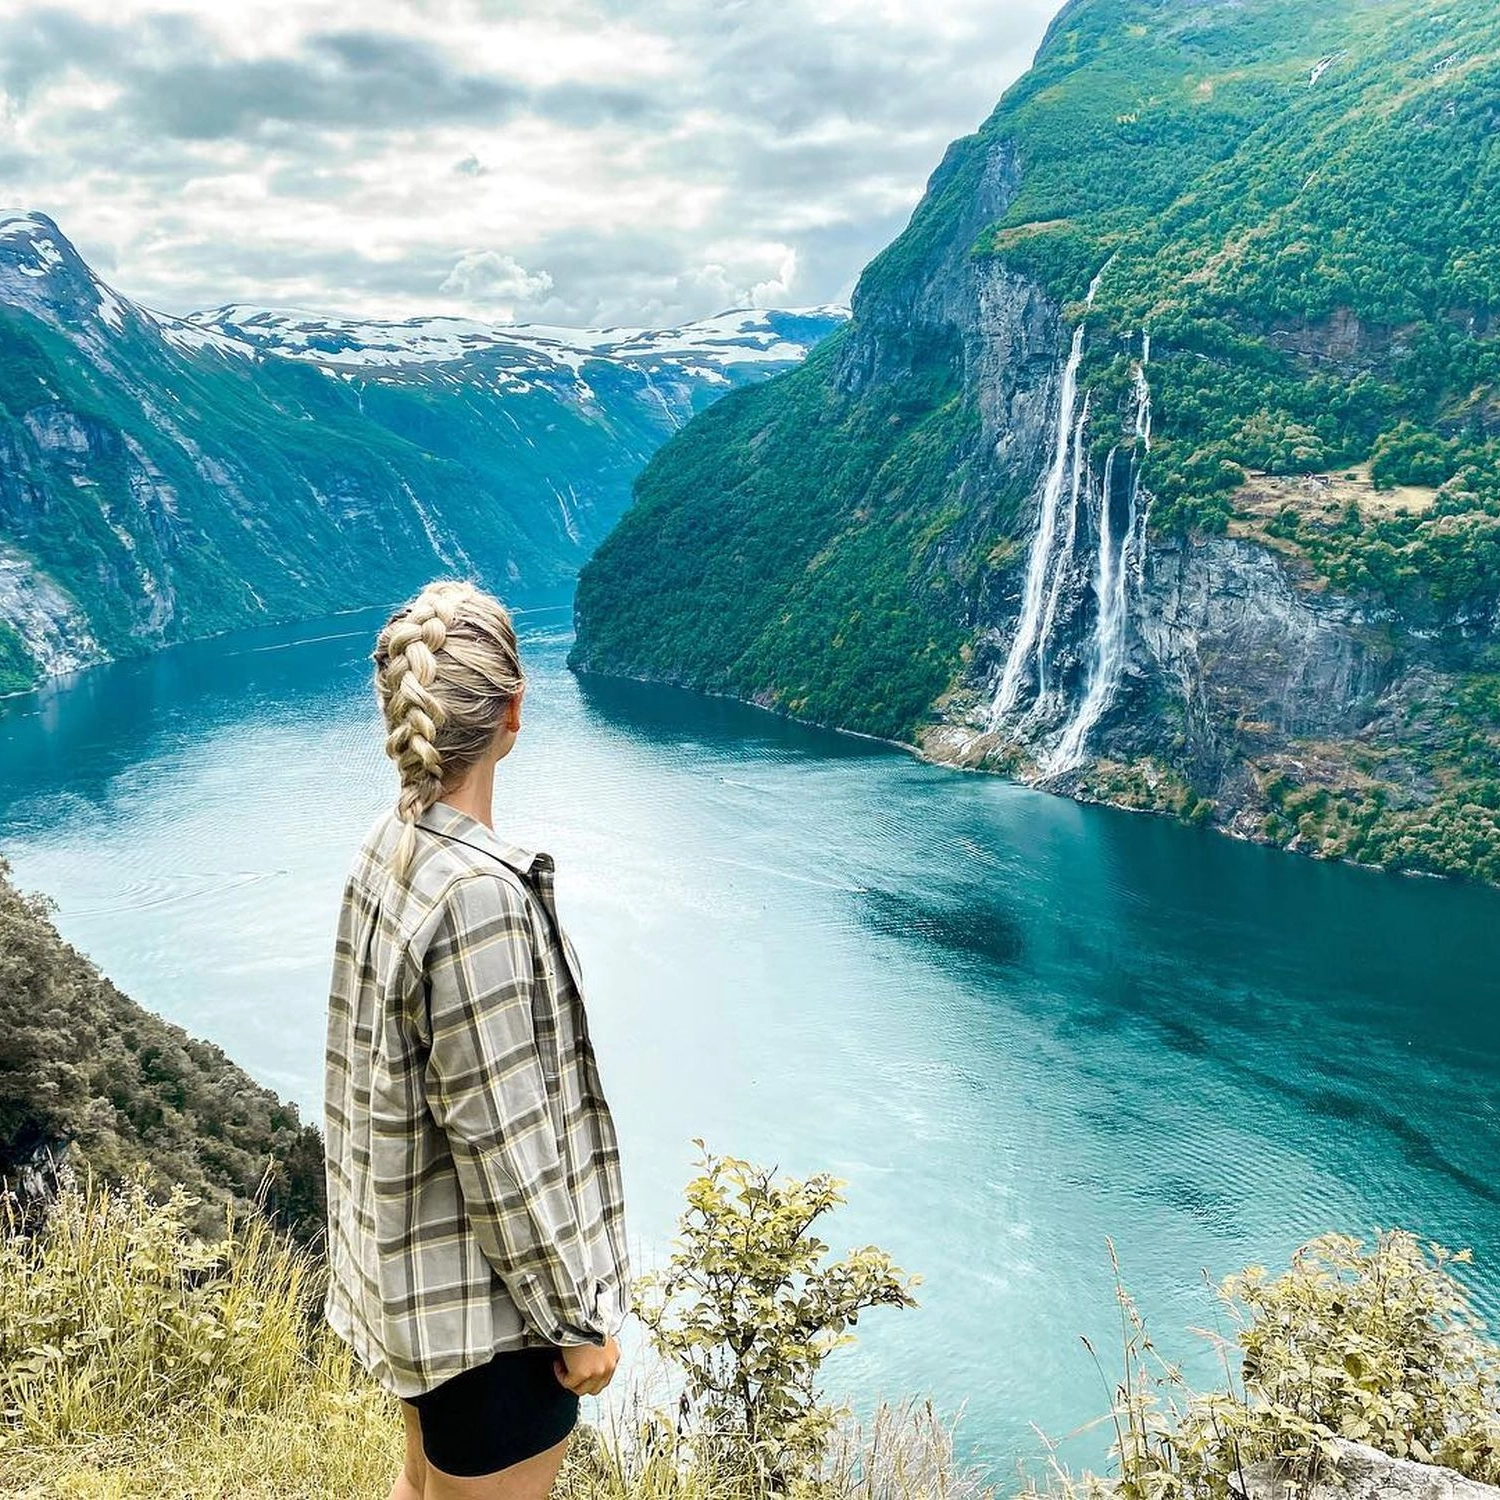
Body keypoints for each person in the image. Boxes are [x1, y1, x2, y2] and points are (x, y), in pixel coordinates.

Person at [323, 578, 630, 1500]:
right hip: (494, 1330)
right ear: (513, 710)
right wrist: (576, 1321)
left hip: (416, 1299)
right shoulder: (478, 897)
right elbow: (501, 1141)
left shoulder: (390, 845)